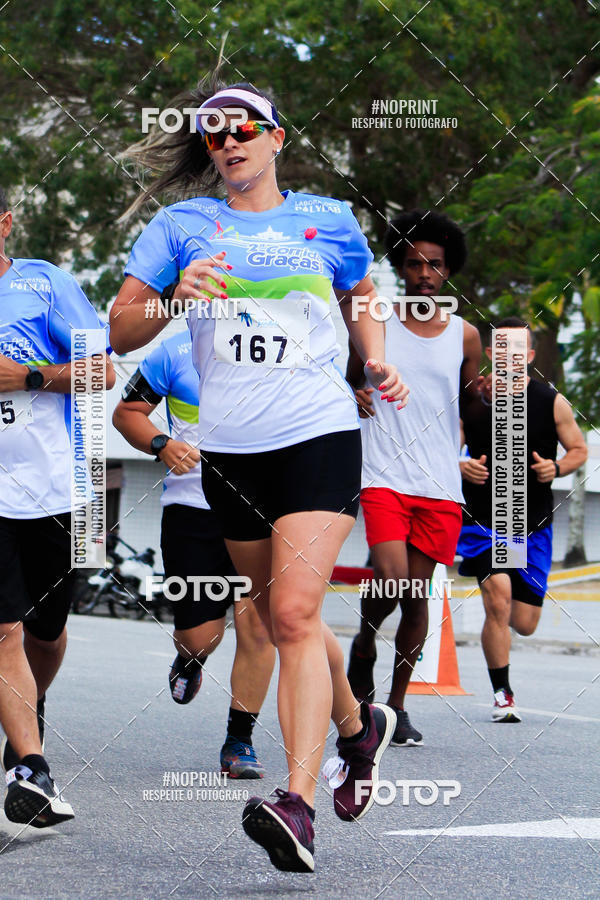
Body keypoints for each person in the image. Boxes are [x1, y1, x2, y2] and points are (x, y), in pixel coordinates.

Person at [109, 78, 408, 873]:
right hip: (230, 453)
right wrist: (176, 298)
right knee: (280, 617)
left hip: (317, 435)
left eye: (244, 127)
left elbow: (363, 298)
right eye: (213, 133)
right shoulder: (181, 225)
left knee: (300, 614)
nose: (229, 140)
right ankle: (357, 728)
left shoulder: (328, 220)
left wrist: (374, 359)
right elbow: (119, 327)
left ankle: (298, 804)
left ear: (279, 136)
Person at [0, 185, 115, 826]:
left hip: (55, 488)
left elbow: (102, 371)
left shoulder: (44, 283)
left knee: (45, 634)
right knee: (3, 629)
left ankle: (26, 719)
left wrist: (28, 376)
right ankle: (32, 767)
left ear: (7, 224)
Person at [346, 210, 481, 746]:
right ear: (401, 266)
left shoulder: (466, 336)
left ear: (449, 272)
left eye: (436, 265)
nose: (425, 273)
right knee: (394, 574)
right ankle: (363, 642)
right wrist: (354, 393)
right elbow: (352, 380)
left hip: (439, 481)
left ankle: (395, 708)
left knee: (416, 594)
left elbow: (470, 402)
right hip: (384, 470)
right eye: (415, 263)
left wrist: (485, 397)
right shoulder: (376, 321)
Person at [113, 331, 275, 777]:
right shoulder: (173, 351)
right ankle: (190, 658)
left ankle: (239, 741)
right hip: (193, 510)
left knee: (258, 625)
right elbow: (126, 413)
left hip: (264, 510)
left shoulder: (283, 342)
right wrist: (161, 444)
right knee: (201, 636)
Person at [458, 317, 587, 721]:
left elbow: (579, 449)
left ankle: (504, 629)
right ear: (492, 353)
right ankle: (503, 696)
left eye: (519, 350)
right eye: (501, 348)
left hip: (531, 524)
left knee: (525, 622)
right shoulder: (472, 399)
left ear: (529, 356)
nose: (509, 356)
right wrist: (459, 464)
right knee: (497, 597)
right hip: (483, 521)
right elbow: (443, 447)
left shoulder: (552, 400)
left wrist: (557, 468)